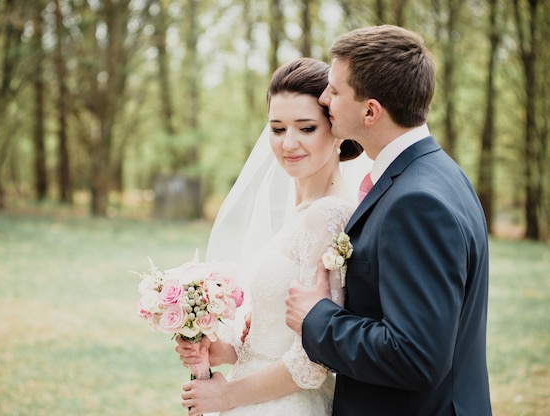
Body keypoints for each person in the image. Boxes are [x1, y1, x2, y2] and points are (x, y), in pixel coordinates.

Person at [285, 25, 493, 415]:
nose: (324, 98)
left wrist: (317, 317)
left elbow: (416, 356)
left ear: (370, 110)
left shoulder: (415, 203)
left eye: (335, 89)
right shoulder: (440, 173)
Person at [176, 57, 372, 416]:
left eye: (306, 128)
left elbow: (313, 361)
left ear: (337, 129)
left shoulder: (328, 216)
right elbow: (272, 333)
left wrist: (227, 396)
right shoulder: (298, 213)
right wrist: (221, 348)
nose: (289, 143)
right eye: (278, 128)